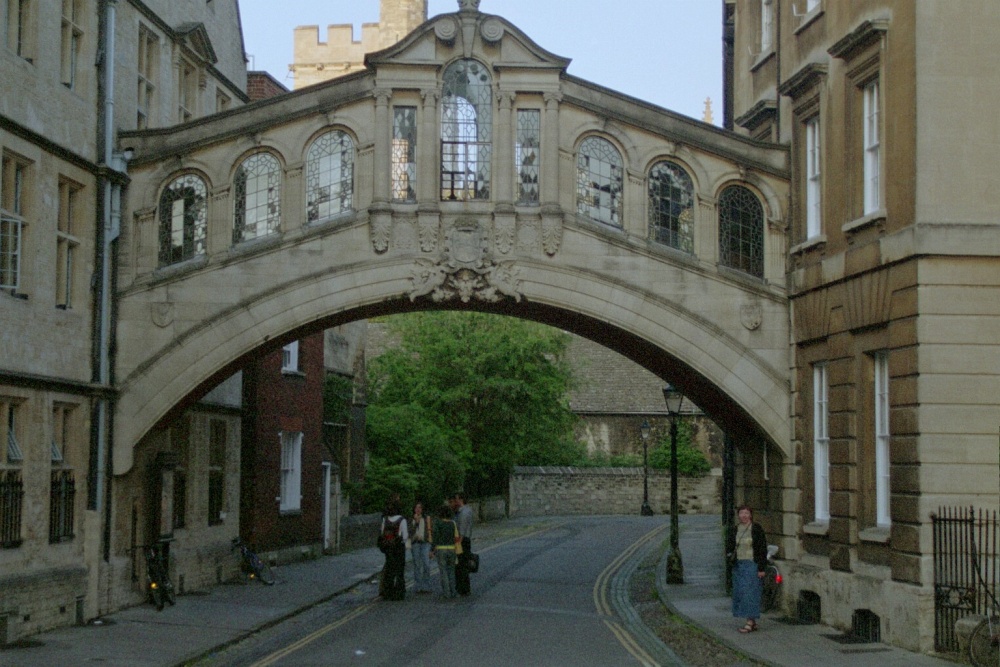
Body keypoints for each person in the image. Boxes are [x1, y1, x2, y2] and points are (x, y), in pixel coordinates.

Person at [726, 504, 768, 633]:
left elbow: (762, 548)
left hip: (752, 565)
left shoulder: (756, 529)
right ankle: (752, 621)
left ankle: (750, 622)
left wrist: (761, 568)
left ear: (750, 515)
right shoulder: (735, 529)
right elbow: (729, 546)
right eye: (741, 513)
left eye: (746, 513)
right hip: (738, 565)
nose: (743, 516)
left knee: (750, 594)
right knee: (741, 594)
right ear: (738, 515)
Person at [380, 497, 409, 601]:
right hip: (398, 547)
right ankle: (399, 593)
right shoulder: (402, 520)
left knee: (389, 570)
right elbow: (405, 536)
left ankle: (388, 592)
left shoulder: (385, 519)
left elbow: (382, 533)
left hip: (388, 547)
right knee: (399, 571)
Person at [431, 503, 459, 599]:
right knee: (451, 571)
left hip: (441, 549)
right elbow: (456, 537)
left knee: (443, 572)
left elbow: (435, 537)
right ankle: (453, 592)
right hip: (451, 549)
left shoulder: (437, 523)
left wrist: (432, 550)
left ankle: (446, 593)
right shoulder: (453, 523)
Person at [451, 492, 474, 596]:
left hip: (462, 541)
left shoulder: (463, 513)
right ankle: (463, 588)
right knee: (461, 565)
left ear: (461, 500)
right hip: (464, 540)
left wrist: (457, 544)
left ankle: (463, 589)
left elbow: (462, 531)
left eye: (456, 499)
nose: (455, 502)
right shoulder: (464, 511)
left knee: (461, 565)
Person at [409, 501, 433, 593]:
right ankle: (418, 586)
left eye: (420, 507)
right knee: (417, 565)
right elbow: (410, 533)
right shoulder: (411, 519)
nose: (418, 509)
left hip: (425, 543)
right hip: (415, 543)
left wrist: (432, 548)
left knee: (426, 564)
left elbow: (431, 531)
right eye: (416, 508)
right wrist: (416, 523)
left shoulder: (427, 518)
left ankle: (426, 586)